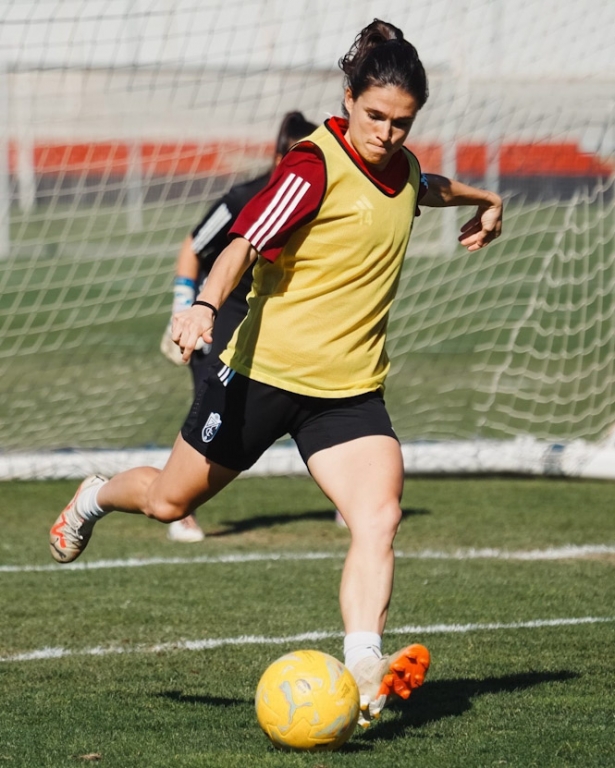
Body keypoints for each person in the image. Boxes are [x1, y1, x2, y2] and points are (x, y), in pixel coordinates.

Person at [49, 19, 503, 727]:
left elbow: (422, 186)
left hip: (348, 394)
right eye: (373, 115)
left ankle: (363, 670)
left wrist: (485, 200)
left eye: (401, 122)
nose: (385, 133)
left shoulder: (401, 165)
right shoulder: (310, 168)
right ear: (346, 96)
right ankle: (96, 496)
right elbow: (242, 242)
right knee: (170, 501)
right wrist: (202, 305)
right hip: (260, 377)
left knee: (378, 517)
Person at [159, 112, 318, 542]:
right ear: (279, 154)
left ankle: (349, 494)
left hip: (274, 320)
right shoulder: (241, 199)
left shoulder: (320, 201)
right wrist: (184, 306)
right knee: (210, 402)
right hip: (223, 313)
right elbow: (193, 249)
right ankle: (178, 508)